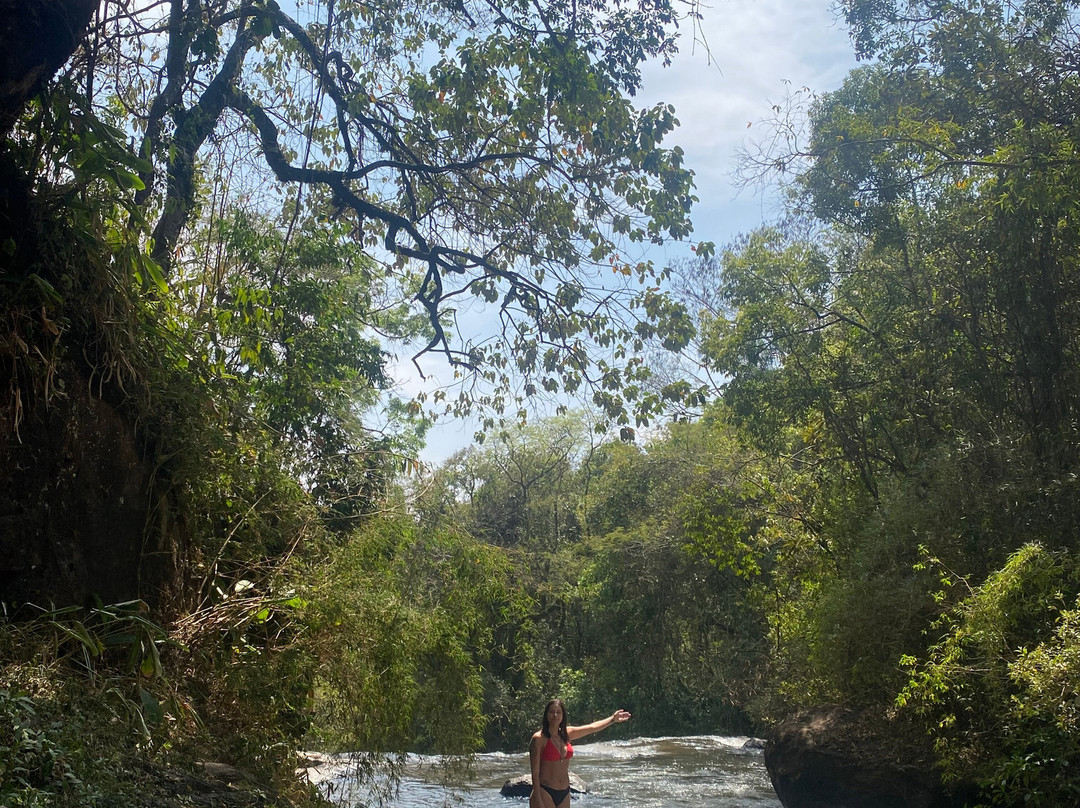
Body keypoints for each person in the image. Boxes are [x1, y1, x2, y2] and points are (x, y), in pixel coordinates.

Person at [529, 698, 631, 808]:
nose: (555, 715)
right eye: (551, 712)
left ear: (563, 716)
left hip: (564, 792)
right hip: (545, 791)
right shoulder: (539, 738)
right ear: (546, 714)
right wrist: (537, 799)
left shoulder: (566, 734)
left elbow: (592, 728)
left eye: (558, 712)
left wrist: (612, 719)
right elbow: (535, 773)